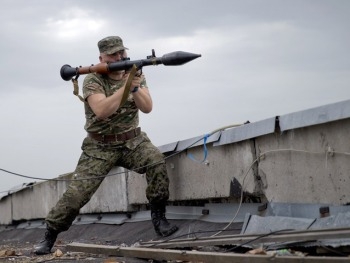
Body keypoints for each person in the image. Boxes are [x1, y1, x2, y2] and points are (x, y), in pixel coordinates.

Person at [34, 36, 178, 255]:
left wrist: (135, 86)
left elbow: (147, 108)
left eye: (121, 52)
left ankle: (159, 218)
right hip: (99, 148)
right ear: (101, 57)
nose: (119, 57)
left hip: (133, 141)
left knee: (156, 161)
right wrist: (127, 86)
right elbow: (102, 110)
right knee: (76, 195)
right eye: (113, 54)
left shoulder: (136, 74)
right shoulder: (92, 79)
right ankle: (50, 235)